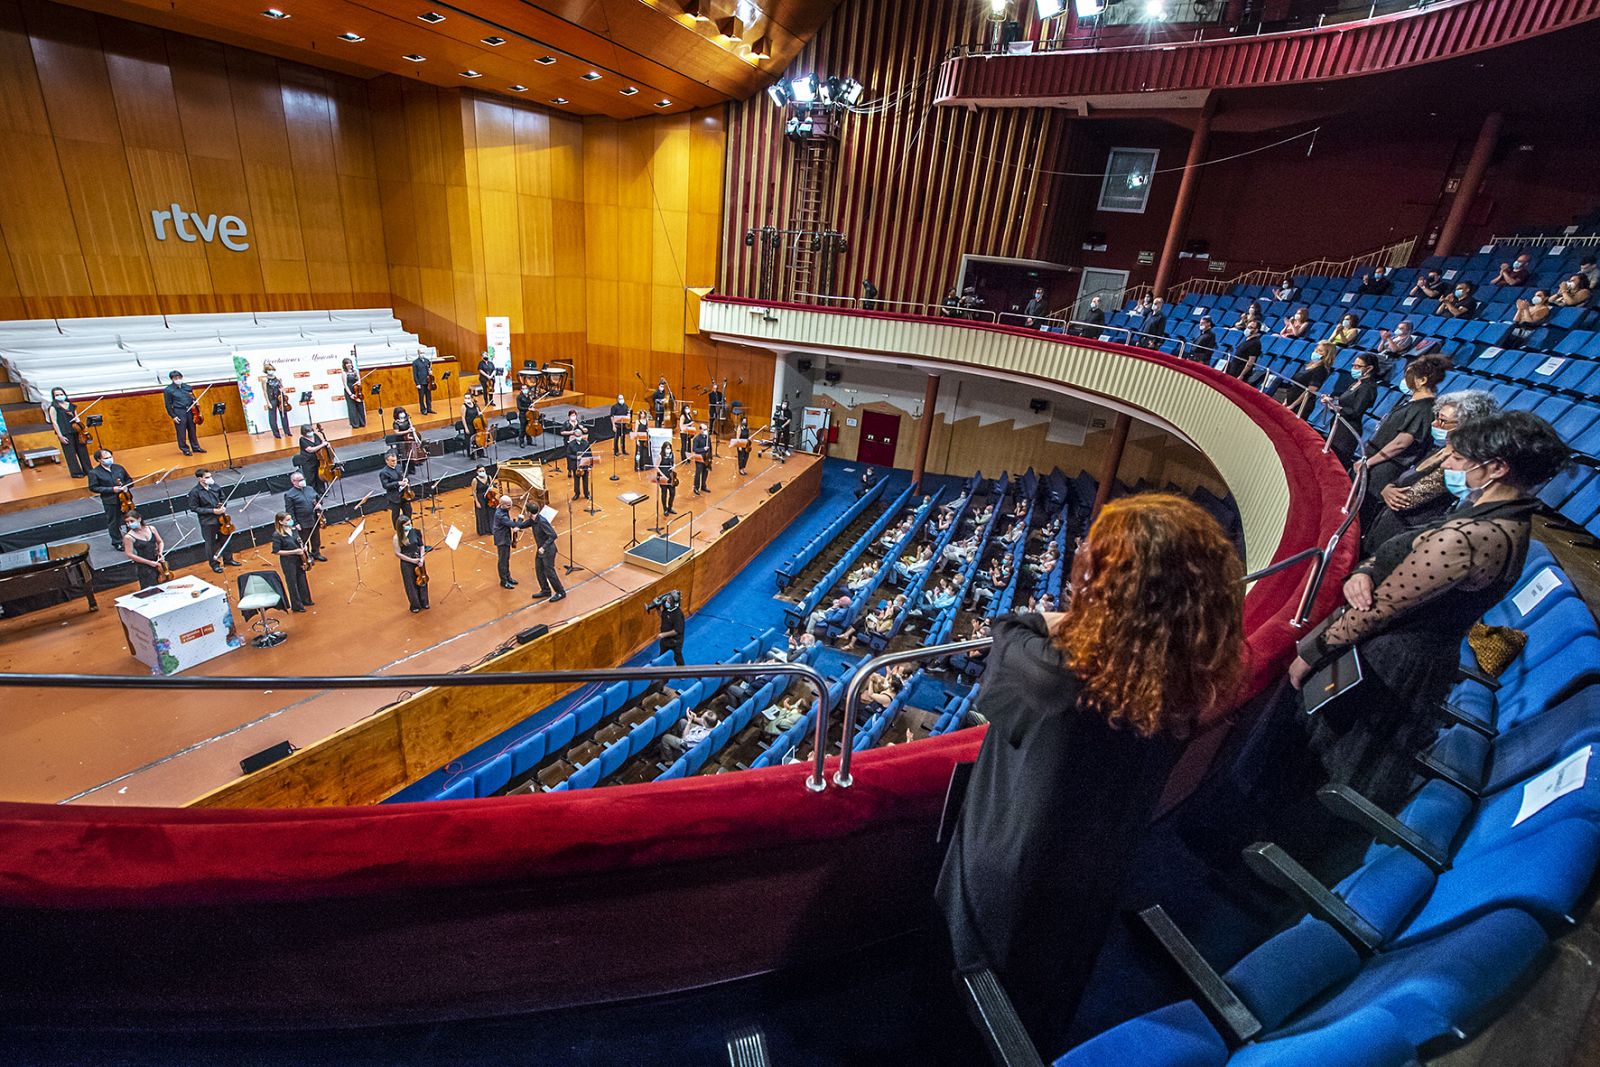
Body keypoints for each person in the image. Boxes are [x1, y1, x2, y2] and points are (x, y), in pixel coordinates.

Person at [937, 494, 1244, 1054]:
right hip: (1101, 856)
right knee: (1054, 966)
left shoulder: (1057, 678)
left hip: (1012, 853)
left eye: (1095, 561)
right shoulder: (1186, 671)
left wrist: (1049, 619)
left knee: (975, 971)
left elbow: (1008, 632)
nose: (1080, 560)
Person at [1289, 411, 1571, 810]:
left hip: (1389, 663)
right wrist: (1366, 570)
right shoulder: (1495, 515)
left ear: (1496, 468)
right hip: (1409, 655)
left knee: (1325, 760)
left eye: (1459, 458)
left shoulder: (1473, 537)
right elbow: (1406, 549)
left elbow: (1379, 611)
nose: (1448, 464)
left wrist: (1311, 653)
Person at [1362, 390, 1498, 553]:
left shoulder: (1458, 463)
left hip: (1402, 536)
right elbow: (1403, 478)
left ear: (1467, 427)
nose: (1434, 424)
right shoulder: (1437, 450)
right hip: (1386, 523)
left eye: (1442, 421)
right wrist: (1386, 489)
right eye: (1436, 417)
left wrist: (1388, 489)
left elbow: (1408, 500)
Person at [1358, 353, 1449, 504]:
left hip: (1385, 468)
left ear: (1422, 380)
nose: (1404, 380)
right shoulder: (1413, 403)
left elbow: (1401, 443)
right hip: (1376, 462)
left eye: (1408, 376)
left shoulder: (1425, 408)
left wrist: (1370, 462)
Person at [1321, 351, 1379, 468]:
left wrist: (1335, 406)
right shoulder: (1357, 383)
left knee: (1336, 462)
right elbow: (1345, 400)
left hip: (1347, 431)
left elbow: (1355, 411)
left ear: (1369, 368)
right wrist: (1331, 400)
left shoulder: (1368, 387)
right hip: (1339, 425)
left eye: (1358, 366)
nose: (1354, 368)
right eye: (1353, 365)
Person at [186, 468, 239, 572]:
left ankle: (228, 559)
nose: (210, 478)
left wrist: (223, 506)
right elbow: (194, 508)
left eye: (210, 476)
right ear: (200, 479)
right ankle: (214, 564)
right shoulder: (195, 492)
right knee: (210, 544)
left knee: (226, 539)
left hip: (222, 519)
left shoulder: (215, 486)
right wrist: (212, 511)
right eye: (207, 477)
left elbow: (223, 498)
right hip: (208, 522)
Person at [1273, 341, 1336, 417]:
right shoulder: (1308, 365)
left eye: (1320, 351)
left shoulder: (1321, 370)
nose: (1315, 352)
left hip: (1300, 405)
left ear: (1327, 355)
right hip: (1291, 398)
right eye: (1316, 349)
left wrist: (1293, 405)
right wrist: (1286, 400)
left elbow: (1310, 391)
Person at [270, 511, 313, 612]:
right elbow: (276, 551)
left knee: (302, 579)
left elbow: (299, 541)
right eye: (288, 520)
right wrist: (294, 551)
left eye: (290, 519)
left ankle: (306, 600)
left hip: (299, 558)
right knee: (292, 583)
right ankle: (297, 605)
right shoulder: (277, 535)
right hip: (288, 561)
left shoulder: (294, 530)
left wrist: (304, 547)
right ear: (281, 522)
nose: (290, 521)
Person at [88, 449, 134, 542]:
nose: (109, 459)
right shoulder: (94, 473)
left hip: (125, 498)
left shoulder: (119, 468)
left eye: (110, 457)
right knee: (114, 522)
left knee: (131, 517)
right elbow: (94, 487)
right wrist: (112, 489)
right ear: (99, 460)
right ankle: (117, 541)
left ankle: (133, 536)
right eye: (106, 458)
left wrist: (126, 486)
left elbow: (129, 480)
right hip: (111, 501)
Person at [46, 388, 92, 478]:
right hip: (65, 432)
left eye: (61, 394)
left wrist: (77, 420)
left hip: (76, 431)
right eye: (57, 395)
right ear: (54, 397)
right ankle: (76, 472)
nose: (60, 396)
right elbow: (54, 422)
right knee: (70, 453)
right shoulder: (53, 407)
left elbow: (77, 417)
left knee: (83, 451)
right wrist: (60, 436)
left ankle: (88, 470)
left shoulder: (71, 406)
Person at [283, 470, 327, 563]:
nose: (302, 481)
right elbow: (289, 511)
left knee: (316, 538)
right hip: (302, 522)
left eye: (303, 479)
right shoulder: (289, 495)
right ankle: (307, 557)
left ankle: (316, 553)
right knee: (304, 541)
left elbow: (319, 499)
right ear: (293, 482)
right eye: (299, 480)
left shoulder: (310, 489)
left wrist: (319, 504)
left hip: (314, 518)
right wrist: (295, 523)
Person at [490, 496, 533, 589]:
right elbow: (514, 525)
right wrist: (520, 519)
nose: (510, 507)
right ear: (502, 504)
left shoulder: (502, 508)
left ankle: (508, 577)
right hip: (502, 539)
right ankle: (503, 580)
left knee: (506, 559)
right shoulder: (501, 515)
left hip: (505, 536)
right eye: (509, 505)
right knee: (503, 561)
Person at [121, 510, 167, 590]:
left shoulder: (151, 528)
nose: (129, 524)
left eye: (131, 521)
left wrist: (160, 553)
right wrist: (149, 563)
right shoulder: (128, 537)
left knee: (165, 585)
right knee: (150, 590)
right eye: (127, 522)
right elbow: (129, 554)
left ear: (139, 519)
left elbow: (160, 542)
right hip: (145, 567)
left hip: (158, 562)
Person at [527, 506, 565, 603]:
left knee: (549, 572)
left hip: (547, 550)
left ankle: (560, 592)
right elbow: (524, 524)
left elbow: (553, 535)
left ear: (529, 512)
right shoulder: (533, 520)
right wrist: (516, 525)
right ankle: (545, 590)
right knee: (539, 569)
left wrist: (543, 547)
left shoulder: (542, 521)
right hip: (541, 549)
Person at [394, 515, 430, 613]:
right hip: (407, 562)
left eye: (410, 523)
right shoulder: (397, 537)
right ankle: (415, 605)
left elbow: (421, 546)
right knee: (410, 584)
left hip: (418, 559)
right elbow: (398, 553)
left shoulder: (416, 532)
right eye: (407, 525)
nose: (410, 526)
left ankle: (424, 602)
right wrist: (411, 560)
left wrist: (422, 558)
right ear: (401, 526)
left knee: (423, 580)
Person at [163, 370, 203, 455]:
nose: (178, 379)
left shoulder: (187, 387)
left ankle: (195, 447)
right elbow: (168, 405)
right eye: (175, 378)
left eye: (179, 377)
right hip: (179, 411)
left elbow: (193, 397)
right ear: (172, 379)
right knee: (181, 432)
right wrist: (173, 416)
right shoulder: (168, 390)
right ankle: (185, 449)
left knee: (192, 430)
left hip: (191, 410)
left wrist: (195, 402)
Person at [379, 451, 413, 530]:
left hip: (404, 495)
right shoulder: (384, 472)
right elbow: (385, 485)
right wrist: (398, 483)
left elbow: (406, 475)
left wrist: (406, 480)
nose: (395, 462)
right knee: (396, 516)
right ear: (387, 461)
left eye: (395, 460)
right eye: (392, 461)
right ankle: (398, 531)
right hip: (394, 497)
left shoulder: (399, 467)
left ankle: (409, 528)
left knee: (408, 512)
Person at [295, 424, 331, 494]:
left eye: (311, 431)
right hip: (308, 462)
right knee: (311, 478)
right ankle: (312, 494)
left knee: (319, 477)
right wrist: (322, 445)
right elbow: (310, 450)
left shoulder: (315, 436)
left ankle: (321, 492)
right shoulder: (302, 440)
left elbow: (322, 443)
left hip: (318, 460)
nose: (311, 433)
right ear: (304, 433)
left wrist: (327, 445)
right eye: (308, 432)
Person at [263, 363, 292, 440]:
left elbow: (282, 388)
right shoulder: (265, 380)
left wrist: (283, 391)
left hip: (280, 398)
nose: (271, 371)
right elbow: (265, 391)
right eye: (269, 370)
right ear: (266, 371)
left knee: (284, 415)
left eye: (272, 369)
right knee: (273, 417)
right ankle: (276, 434)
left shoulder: (278, 379)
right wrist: (268, 402)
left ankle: (287, 431)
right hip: (272, 399)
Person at [655, 592, 685, 665]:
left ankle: (682, 672)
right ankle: (663, 671)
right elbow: (662, 616)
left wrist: (663, 635)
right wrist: (657, 607)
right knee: (662, 655)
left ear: (673, 602)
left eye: (669, 600)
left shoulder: (678, 614)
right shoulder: (667, 609)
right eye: (667, 599)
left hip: (675, 641)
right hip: (665, 640)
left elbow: (677, 631)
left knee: (677, 656)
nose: (667, 601)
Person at [569, 424, 593, 502]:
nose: (579, 437)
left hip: (584, 464)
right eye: (577, 436)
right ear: (574, 436)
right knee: (576, 481)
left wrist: (590, 465)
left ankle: (586, 494)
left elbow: (590, 454)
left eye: (580, 435)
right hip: (575, 465)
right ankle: (577, 494)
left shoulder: (586, 443)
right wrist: (576, 457)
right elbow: (568, 455)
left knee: (585, 480)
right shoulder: (571, 444)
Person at [341, 357, 366, 429]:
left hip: (357, 390)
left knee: (360, 406)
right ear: (344, 365)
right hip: (349, 391)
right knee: (352, 408)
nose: (349, 365)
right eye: (347, 363)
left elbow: (359, 380)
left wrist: (358, 382)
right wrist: (350, 394)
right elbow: (345, 385)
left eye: (350, 363)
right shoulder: (344, 373)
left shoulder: (355, 371)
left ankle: (362, 423)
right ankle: (355, 424)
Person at [471, 464, 496, 536]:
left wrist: (491, 487)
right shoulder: (475, 480)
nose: (482, 472)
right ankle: (483, 530)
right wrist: (477, 502)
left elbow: (492, 485)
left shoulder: (489, 477)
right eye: (480, 471)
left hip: (489, 497)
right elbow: (474, 492)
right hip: (480, 498)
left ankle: (491, 529)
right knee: (482, 514)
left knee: (491, 513)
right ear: (477, 472)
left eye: (483, 470)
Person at [461, 393, 486, 460]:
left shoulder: (475, 405)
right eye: (465, 398)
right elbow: (463, 418)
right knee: (470, 440)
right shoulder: (464, 406)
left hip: (476, 425)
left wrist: (480, 414)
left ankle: (480, 453)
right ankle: (472, 454)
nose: (467, 399)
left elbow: (479, 414)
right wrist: (466, 428)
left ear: (472, 398)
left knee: (477, 439)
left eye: (468, 398)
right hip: (469, 425)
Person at [655, 442, 678, 516]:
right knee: (664, 493)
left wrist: (674, 466)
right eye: (667, 448)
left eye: (669, 448)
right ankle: (665, 509)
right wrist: (663, 476)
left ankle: (670, 507)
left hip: (671, 476)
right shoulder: (660, 456)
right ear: (664, 448)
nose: (669, 450)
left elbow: (673, 463)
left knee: (672, 493)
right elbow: (656, 466)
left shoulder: (672, 455)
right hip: (663, 477)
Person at [690, 422, 712, 495]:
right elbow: (695, 449)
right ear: (701, 430)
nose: (706, 431)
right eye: (704, 429)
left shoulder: (708, 437)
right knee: (698, 473)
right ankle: (696, 487)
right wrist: (703, 449)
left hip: (706, 458)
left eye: (706, 429)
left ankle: (703, 485)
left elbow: (710, 448)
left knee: (705, 472)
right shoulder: (696, 439)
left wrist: (710, 457)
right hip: (700, 458)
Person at [516, 383, 538, 447]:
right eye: (523, 388)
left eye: (526, 388)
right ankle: (521, 442)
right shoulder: (519, 397)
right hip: (523, 415)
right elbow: (519, 407)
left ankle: (529, 441)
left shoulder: (529, 396)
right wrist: (528, 408)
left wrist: (532, 405)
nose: (525, 390)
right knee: (523, 429)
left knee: (529, 428)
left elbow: (531, 403)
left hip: (529, 415)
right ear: (521, 390)